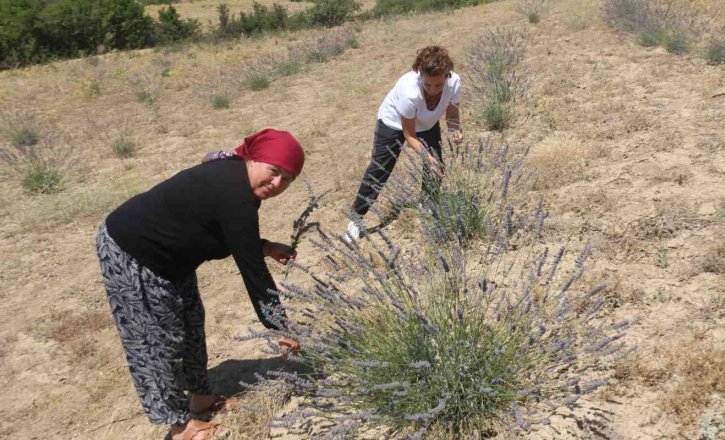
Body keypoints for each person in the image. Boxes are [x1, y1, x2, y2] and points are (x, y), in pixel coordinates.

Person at [96, 129, 303, 440]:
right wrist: (279, 325)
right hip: (132, 250)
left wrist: (266, 246)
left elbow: (229, 235)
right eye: (273, 171)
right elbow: (253, 272)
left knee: (191, 324)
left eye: (286, 179)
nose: (276, 184)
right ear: (253, 159)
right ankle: (180, 426)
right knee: (154, 339)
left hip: (172, 258)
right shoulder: (234, 194)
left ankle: (202, 399)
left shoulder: (239, 184)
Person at [345, 45, 464, 242]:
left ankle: (427, 205)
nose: (433, 91)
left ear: (447, 76)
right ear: (420, 75)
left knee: (437, 166)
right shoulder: (410, 92)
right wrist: (426, 157)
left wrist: (455, 130)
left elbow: (452, 113)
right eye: (428, 85)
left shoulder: (454, 83)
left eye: (438, 85)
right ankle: (356, 219)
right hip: (393, 123)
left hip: (427, 123)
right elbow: (409, 135)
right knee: (380, 169)